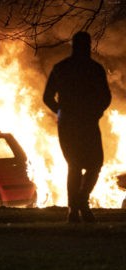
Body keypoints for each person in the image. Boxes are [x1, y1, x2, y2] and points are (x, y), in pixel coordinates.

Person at [43, 31, 111, 223]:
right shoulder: (91, 68)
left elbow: (105, 97)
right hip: (80, 123)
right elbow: (105, 97)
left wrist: (60, 112)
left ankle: (78, 204)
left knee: (85, 165)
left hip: (77, 123)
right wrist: (95, 111)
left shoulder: (64, 68)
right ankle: (78, 207)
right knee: (85, 165)